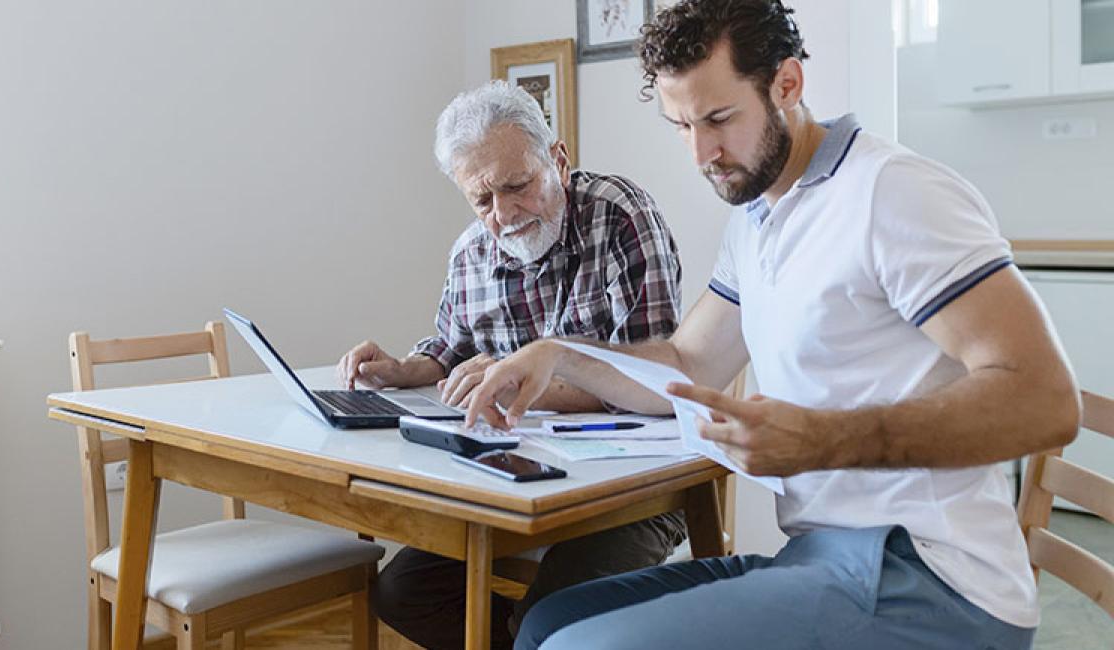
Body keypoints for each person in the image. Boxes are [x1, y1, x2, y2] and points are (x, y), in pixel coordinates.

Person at [464, 2, 1080, 648]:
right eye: (681, 125)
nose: (701, 152)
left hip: (932, 579)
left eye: (719, 119)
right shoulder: (757, 218)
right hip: (819, 559)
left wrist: (823, 440)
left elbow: (1045, 398)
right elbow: (688, 365)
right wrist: (557, 352)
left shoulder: (891, 193)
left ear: (787, 84)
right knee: (546, 622)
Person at [336, 80, 687, 650]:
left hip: (634, 491)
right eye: (482, 200)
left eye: (518, 185)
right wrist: (403, 368)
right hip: (519, 484)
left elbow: (659, 384)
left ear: (559, 159)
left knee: (545, 623)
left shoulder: (620, 217)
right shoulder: (471, 251)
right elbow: (448, 351)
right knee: (402, 594)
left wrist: (530, 381)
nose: (504, 214)